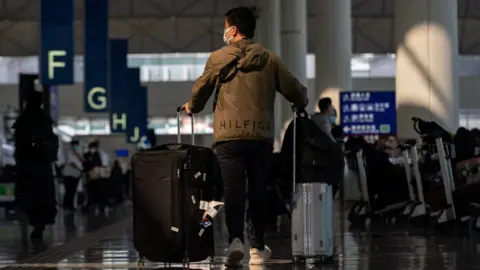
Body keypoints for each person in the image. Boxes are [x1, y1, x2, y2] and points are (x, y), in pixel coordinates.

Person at [179, 6, 308, 266]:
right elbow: (296, 92)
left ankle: (235, 241)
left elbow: (201, 91)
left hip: (228, 137)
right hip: (260, 136)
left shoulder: (217, 58)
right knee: (259, 190)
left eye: (225, 27)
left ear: (233, 30)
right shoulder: (269, 58)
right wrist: (301, 100)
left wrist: (191, 106)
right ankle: (257, 248)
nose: (223, 32)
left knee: (233, 190)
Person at [13, 90, 58, 243]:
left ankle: (34, 220)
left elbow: (18, 146)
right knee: (44, 197)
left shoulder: (22, 121)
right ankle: (40, 223)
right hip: (42, 166)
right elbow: (52, 142)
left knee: (28, 196)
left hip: (27, 167)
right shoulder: (44, 120)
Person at [82, 140, 110, 213]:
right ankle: (98, 206)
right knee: (97, 193)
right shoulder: (89, 155)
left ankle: (98, 206)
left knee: (95, 193)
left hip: (95, 177)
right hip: (95, 177)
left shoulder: (95, 155)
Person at [62, 139, 83, 213]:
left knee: (73, 191)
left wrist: (79, 156)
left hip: (76, 176)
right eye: (75, 145)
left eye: (77, 145)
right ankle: (66, 206)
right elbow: (72, 163)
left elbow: (82, 161)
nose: (76, 147)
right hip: (69, 175)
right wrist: (80, 169)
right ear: (72, 146)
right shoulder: (69, 153)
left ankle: (70, 206)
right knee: (69, 191)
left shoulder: (78, 154)